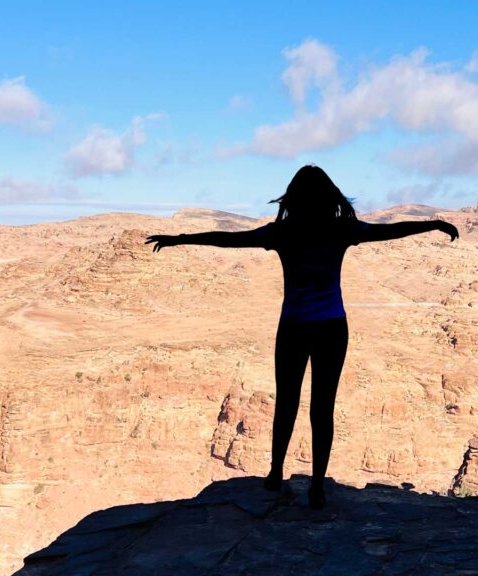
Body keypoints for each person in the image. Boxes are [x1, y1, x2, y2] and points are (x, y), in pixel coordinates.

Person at [145, 165, 459, 509]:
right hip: (332, 328)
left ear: (291, 197)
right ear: (331, 196)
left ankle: (276, 473)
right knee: (322, 408)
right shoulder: (342, 230)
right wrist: (432, 224)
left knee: (287, 401)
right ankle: (318, 487)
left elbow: (229, 239)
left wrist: (180, 239)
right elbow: (391, 231)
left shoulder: (282, 232)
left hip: (293, 327)